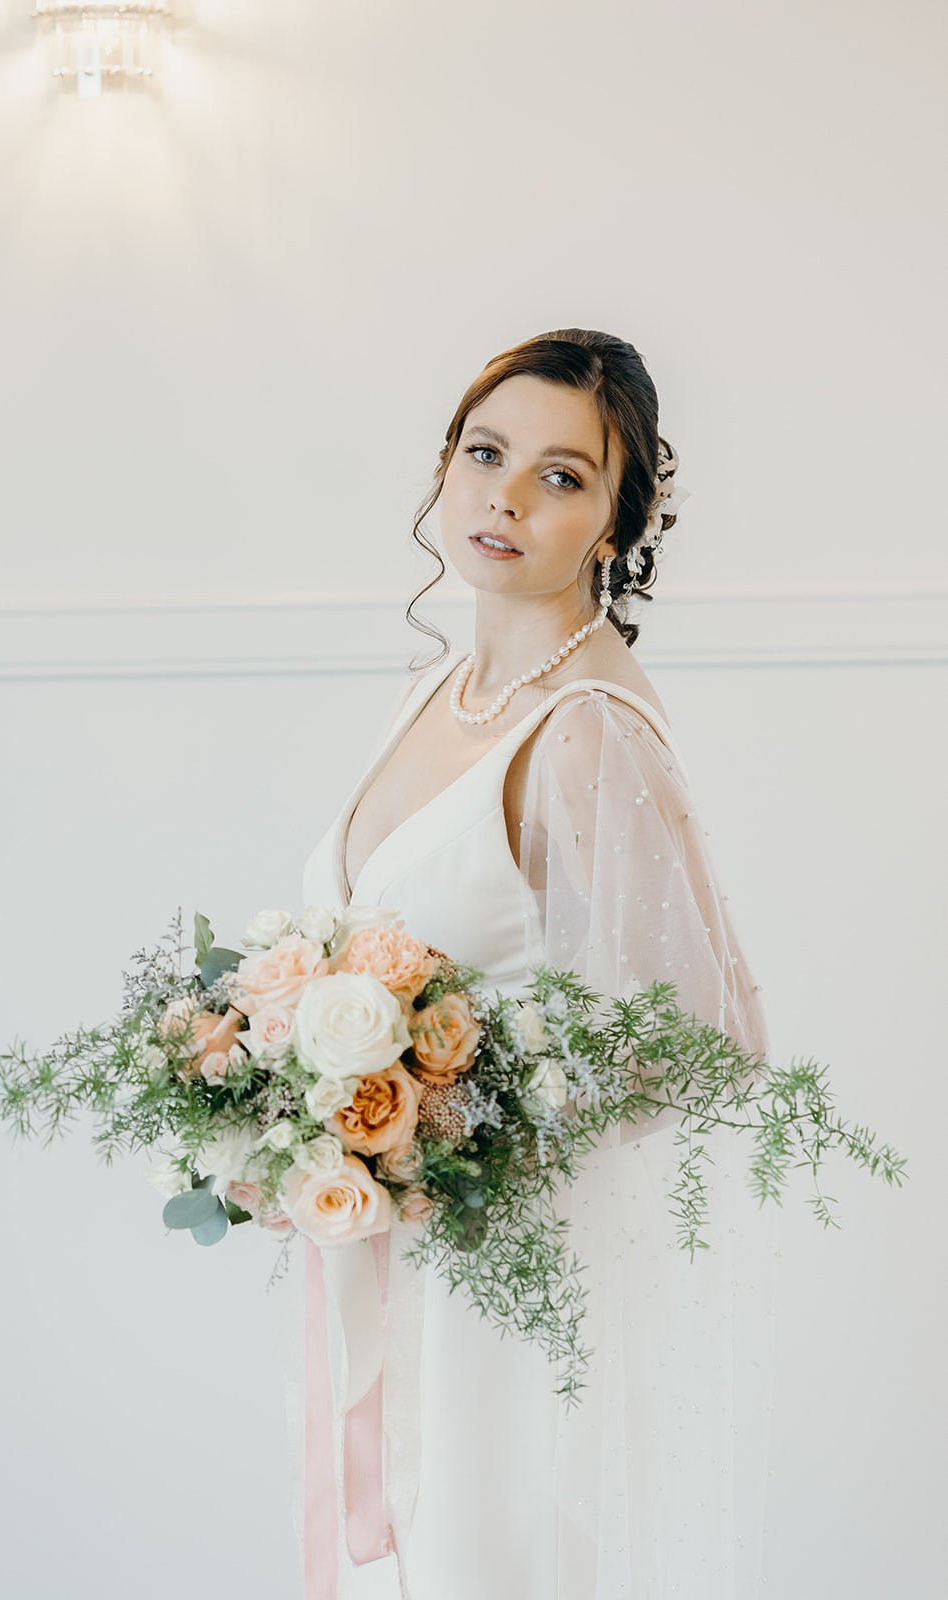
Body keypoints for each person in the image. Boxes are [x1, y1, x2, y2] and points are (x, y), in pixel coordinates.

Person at [281, 328, 780, 1599]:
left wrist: (445, 1121)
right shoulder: (437, 687)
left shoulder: (586, 730)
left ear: (618, 522)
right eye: (484, 453)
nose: (503, 496)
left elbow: (705, 1036)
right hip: (387, 1249)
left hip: (501, 1282)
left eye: (561, 476)